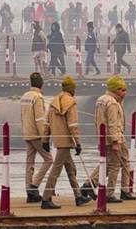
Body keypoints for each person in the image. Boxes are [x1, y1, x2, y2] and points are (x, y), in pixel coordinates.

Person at [80, 76, 136, 203]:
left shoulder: (101, 100)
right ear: (115, 90)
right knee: (116, 165)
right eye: (122, 90)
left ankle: (88, 185)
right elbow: (113, 123)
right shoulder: (112, 103)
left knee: (106, 163)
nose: (125, 92)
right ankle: (113, 193)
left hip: (103, 137)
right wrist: (116, 141)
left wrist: (100, 139)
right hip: (115, 137)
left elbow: (98, 121)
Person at [41, 76, 91, 209]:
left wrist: (45, 139)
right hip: (66, 142)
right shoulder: (71, 103)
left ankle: (78, 196)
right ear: (72, 89)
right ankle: (46, 198)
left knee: (71, 169)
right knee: (55, 170)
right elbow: (73, 125)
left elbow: (46, 123)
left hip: (58, 140)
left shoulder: (54, 102)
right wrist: (78, 142)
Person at [21, 73, 52, 203]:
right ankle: (34, 186)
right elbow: (40, 119)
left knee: (29, 163)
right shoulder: (38, 98)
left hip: (27, 133)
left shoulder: (24, 97)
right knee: (49, 159)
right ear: (41, 84)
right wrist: (45, 138)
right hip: (36, 134)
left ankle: (29, 192)